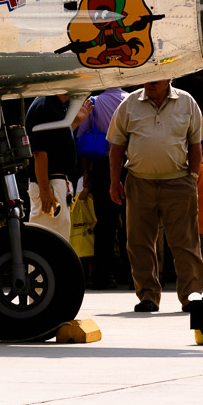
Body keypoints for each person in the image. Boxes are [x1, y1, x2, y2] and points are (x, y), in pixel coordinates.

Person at [107, 80, 203, 313]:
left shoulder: (187, 102)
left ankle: (191, 296)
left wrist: (193, 176)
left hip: (178, 181)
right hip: (139, 181)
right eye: (147, 78)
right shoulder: (129, 103)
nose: (149, 83)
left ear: (168, 78)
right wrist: (114, 182)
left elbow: (196, 144)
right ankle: (148, 296)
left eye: (155, 79)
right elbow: (117, 147)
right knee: (139, 242)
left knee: (186, 242)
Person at [78, 88, 127, 289]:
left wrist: (86, 172)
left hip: (102, 166)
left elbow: (82, 137)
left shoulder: (93, 102)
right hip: (130, 165)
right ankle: (132, 275)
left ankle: (102, 276)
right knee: (132, 222)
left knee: (105, 224)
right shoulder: (132, 101)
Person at [25, 95, 88, 238]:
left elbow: (56, 140)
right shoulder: (45, 106)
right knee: (48, 243)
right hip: (51, 185)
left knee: (56, 242)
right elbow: (39, 152)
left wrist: (76, 122)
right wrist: (45, 190)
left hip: (55, 185)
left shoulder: (54, 105)